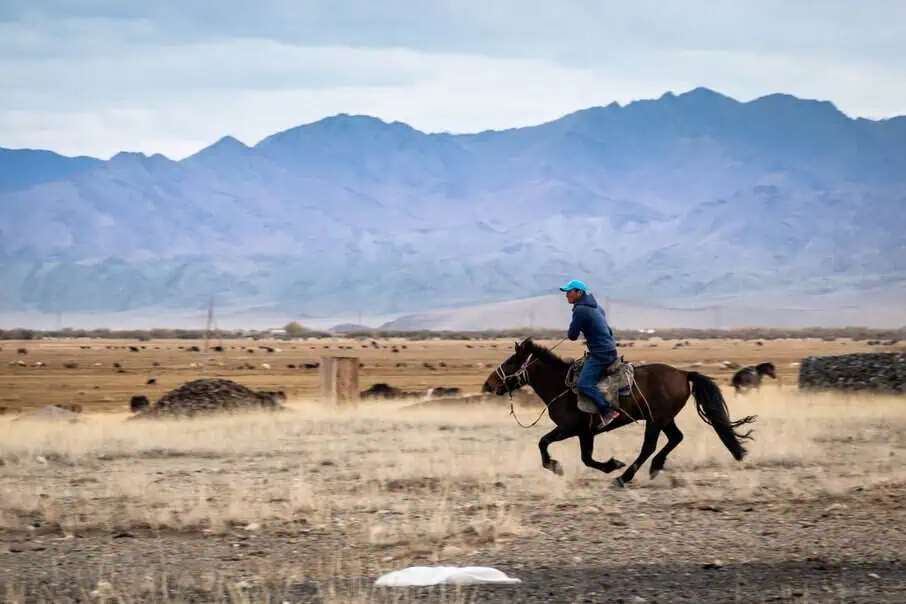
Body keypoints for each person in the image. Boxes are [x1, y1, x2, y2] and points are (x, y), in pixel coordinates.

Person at [560, 279, 621, 429]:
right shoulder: (597, 307)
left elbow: (573, 335)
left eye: (569, 291)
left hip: (600, 354)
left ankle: (607, 411)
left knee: (583, 384)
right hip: (609, 349)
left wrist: (573, 328)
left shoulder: (580, 309)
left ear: (579, 293)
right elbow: (609, 330)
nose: (566, 295)